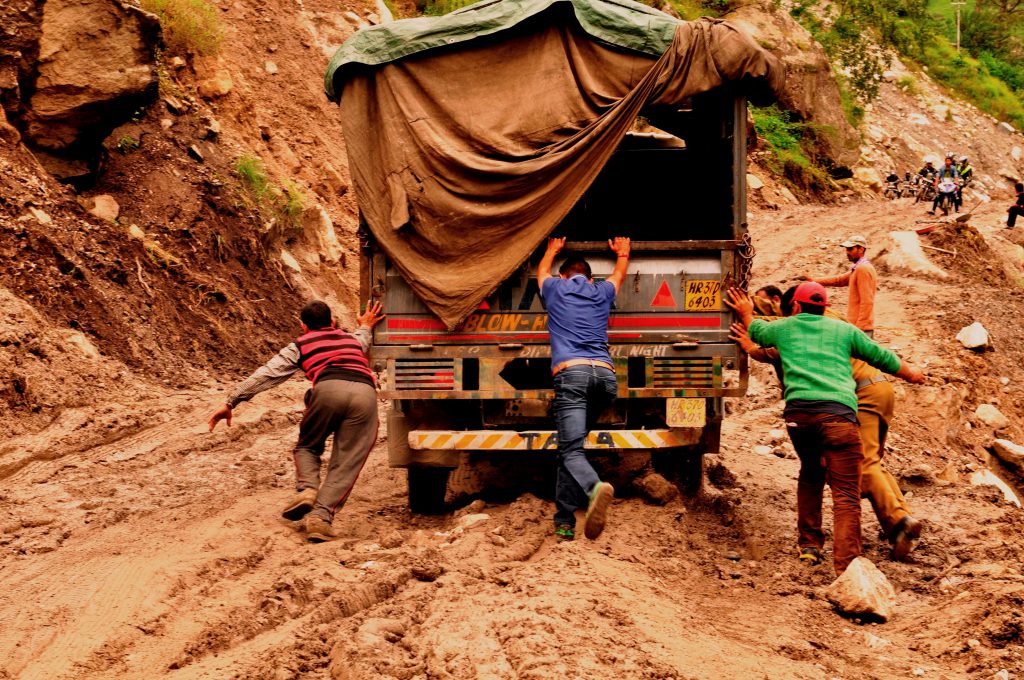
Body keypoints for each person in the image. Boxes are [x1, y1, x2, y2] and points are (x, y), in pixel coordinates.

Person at [725, 284, 925, 575]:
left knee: (813, 471)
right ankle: (849, 567)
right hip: (841, 413)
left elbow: (757, 330)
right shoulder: (841, 329)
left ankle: (810, 544)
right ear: (824, 305)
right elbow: (883, 356)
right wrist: (913, 373)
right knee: (848, 490)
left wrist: (745, 313)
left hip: (805, 415)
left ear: (793, 306)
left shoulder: (785, 328)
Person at [208, 299, 385, 542]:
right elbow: (363, 338)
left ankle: (307, 489)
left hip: (327, 389)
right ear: (332, 322)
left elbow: (268, 374)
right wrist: (366, 324)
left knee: (307, 446)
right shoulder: (349, 339)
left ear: (303, 326)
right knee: (348, 459)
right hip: (365, 395)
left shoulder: (300, 344)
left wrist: (231, 401)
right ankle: (321, 518)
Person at [538, 236, 630, 541]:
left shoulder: (554, 287)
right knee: (571, 448)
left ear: (563, 275)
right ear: (590, 278)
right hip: (604, 378)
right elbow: (618, 276)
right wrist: (622, 253)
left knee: (571, 449)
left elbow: (541, 273)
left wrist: (551, 250)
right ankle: (564, 521)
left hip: (572, 375)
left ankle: (595, 489)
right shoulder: (601, 291)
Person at [801, 234, 877, 337]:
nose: (847, 252)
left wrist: (860, 329)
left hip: (860, 329)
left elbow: (867, 301)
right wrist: (813, 280)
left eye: (850, 249)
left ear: (861, 249)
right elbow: (839, 280)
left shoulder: (862, 269)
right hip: (857, 327)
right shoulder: (859, 268)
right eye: (846, 249)